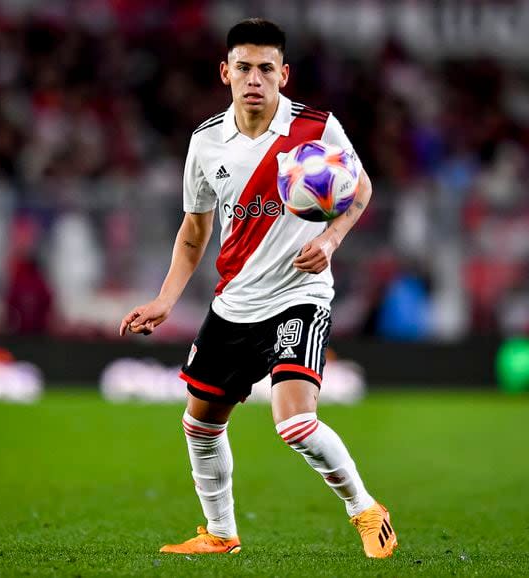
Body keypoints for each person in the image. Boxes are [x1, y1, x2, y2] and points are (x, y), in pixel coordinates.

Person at [119, 18, 397, 559]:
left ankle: (366, 509)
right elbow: (194, 233)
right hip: (234, 303)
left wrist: (333, 240)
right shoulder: (205, 143)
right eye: (243, 67)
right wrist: (164, 301)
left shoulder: (317, 128)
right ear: (225, 72)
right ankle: (221, 534)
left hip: (300, 295)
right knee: (199, 424)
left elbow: (360, 187)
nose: (254, 78)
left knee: (294, 421)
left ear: (283, 75)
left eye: (265, 68)